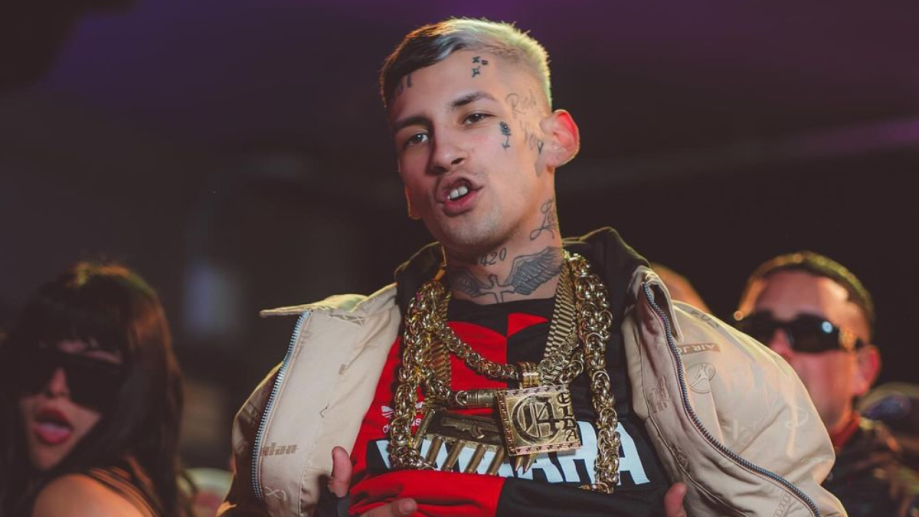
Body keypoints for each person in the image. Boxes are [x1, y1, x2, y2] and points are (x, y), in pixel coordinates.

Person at [219, 18, 844, 517]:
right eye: (415, 136)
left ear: (556, 139)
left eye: (473, 117)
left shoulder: (722, 372)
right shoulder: (322, 375)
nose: (444, 152)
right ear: (407, 187)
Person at [0, 262, 194, 517]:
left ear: (137, 392)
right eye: (37, 363)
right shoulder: (137, 493)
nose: (56, 387)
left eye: (91, 373)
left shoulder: (75, 498)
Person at [735, 251, 919, 517]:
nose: (774, 348)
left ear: (862, 370)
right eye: (756, 330)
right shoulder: (685, 467)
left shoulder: (901, 505)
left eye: (810, 332)